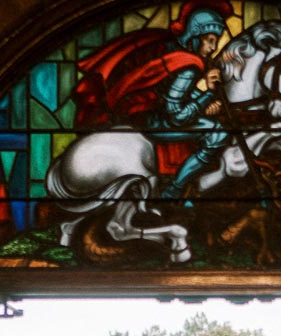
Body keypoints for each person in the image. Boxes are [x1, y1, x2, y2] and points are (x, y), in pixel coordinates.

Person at [71, 1, 232, 200]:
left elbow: (171, 94)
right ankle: (174, 190)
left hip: (148, 113)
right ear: (195, 36)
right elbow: (177, 117)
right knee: (218, 135)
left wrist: (201, 101)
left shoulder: (171, 50)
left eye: (215, 41)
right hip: (151, 122)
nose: (213, 47)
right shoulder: (189, 67)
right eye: (209, 40)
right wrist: (207, 93)